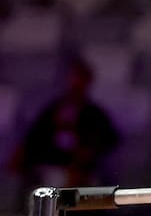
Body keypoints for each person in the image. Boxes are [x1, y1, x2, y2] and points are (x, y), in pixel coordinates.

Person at [8, 56, 119, 190]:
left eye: (80, 80)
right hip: (51, 168)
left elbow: (109, 141)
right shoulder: (53, 109)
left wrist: (87, 155)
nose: (76, 84)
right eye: (73, 79)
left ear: (87, 82)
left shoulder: (94, 115)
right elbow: (34, 137)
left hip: (82, 172)